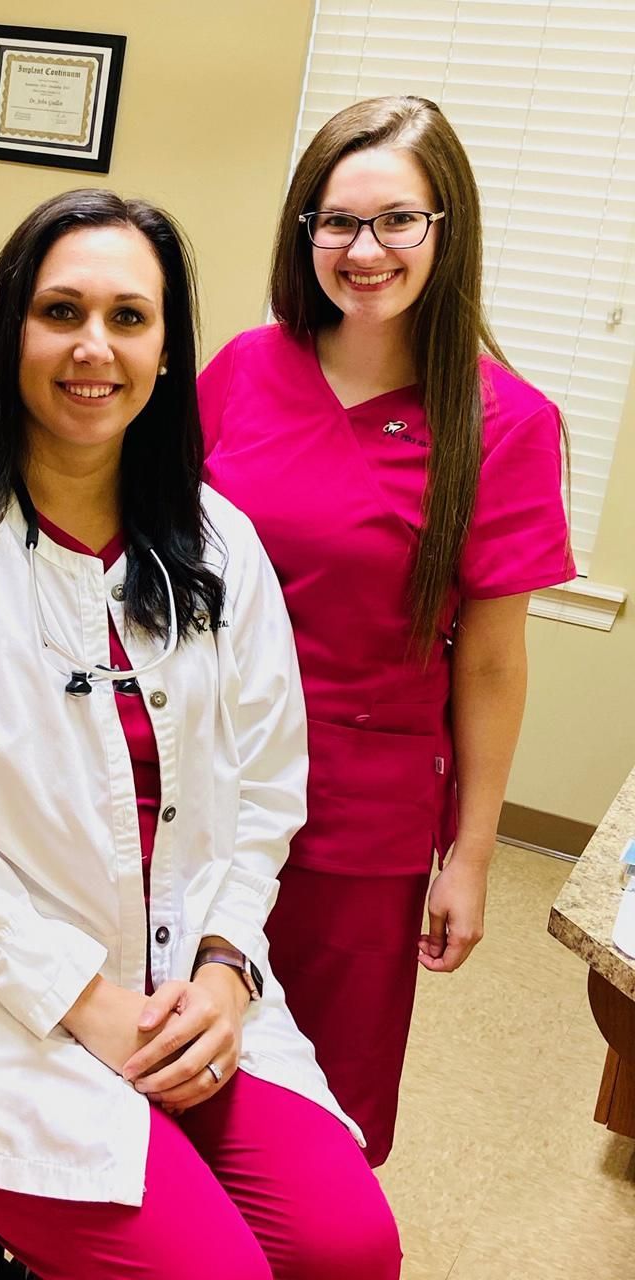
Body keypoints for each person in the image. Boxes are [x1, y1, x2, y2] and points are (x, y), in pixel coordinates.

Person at [0, 189, 402, 1280]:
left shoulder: (217, 543)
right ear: (11, 330)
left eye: (130, 317)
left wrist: (225, 970)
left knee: (346, 1252)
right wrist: (82, 996)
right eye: (61, 311)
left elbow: (267, 788)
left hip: (180, 983)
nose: (94, 347)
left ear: (168, 348)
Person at [197, 95, 574, 1167]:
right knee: (174, 1057)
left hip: (359, 808)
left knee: (316, 1102)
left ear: (445, 230)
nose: (362, 250)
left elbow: (494, 663)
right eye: (335, 220)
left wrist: (471, 853)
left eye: (396, 220)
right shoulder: (241, 370)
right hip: (197, 775)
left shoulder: (503, 422)